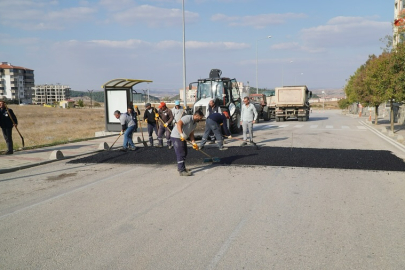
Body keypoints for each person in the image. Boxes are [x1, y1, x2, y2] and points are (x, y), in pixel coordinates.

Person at [171, 110, 204, 176]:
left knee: (185, 152)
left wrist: (193, 142)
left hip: (183, 138)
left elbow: (191, 133)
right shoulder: (188, 118)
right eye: (200, 118)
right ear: (196, 116)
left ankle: (181, 167)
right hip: (177, 136)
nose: (200, 119)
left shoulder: (195, 123)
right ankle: (181, 171)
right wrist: (181, 134)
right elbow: (179, 124)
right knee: (181, 153)